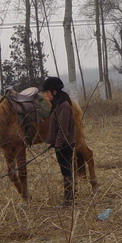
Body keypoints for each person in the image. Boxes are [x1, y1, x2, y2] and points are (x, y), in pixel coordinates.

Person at [41, 76, 77, 206]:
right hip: (61, 144)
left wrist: (58, 144)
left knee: (66, 170)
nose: (46, 95)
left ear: (54, 91)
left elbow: (63, 128)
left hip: (65, 145)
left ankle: (69, 199)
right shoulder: (57, 104)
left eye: (47, 92)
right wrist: (53, 142)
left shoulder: (64, 106)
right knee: (65, 170)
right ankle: (71, 195)